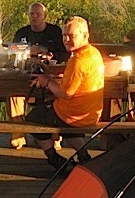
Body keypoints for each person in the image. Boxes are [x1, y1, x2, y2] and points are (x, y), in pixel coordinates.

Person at [26, 16, 104, 170]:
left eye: (71, 36)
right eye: (64, 35)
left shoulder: (79, 60)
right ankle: (84, 157)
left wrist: (46, 80)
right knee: (53, 114)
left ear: (85, 35)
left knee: (33, 118)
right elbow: (73, 71)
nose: (66, 40)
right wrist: (52, 70)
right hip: (90, 113)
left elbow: (65, 93)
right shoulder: (92, 53)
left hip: (73, 115)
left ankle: (54, 158)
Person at [9, 2, 69, 150]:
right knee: (13, 94)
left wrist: (48, 54)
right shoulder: (21, 33)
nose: (34, 17)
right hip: (25, 73)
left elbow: (65, 54)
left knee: (54, 93)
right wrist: (28, 51)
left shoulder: (55, 32)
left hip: (51, 73)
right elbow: (12, 51)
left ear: (45, 16)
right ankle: (18, 133)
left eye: (38, 14)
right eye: (32, 14)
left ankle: (53, 136)